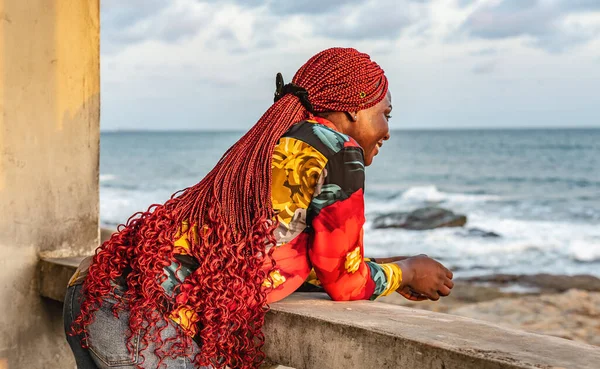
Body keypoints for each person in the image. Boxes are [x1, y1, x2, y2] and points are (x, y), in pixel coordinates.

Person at [64, 47, 454, 369]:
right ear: (354, 108)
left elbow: (291, 258)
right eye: (385, 114)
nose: (387, 130)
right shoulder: (339, 150)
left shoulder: (271, 140)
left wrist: (379, 267)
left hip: (98, 293)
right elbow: (343, 282)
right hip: (145, 321)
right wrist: (406, 272)